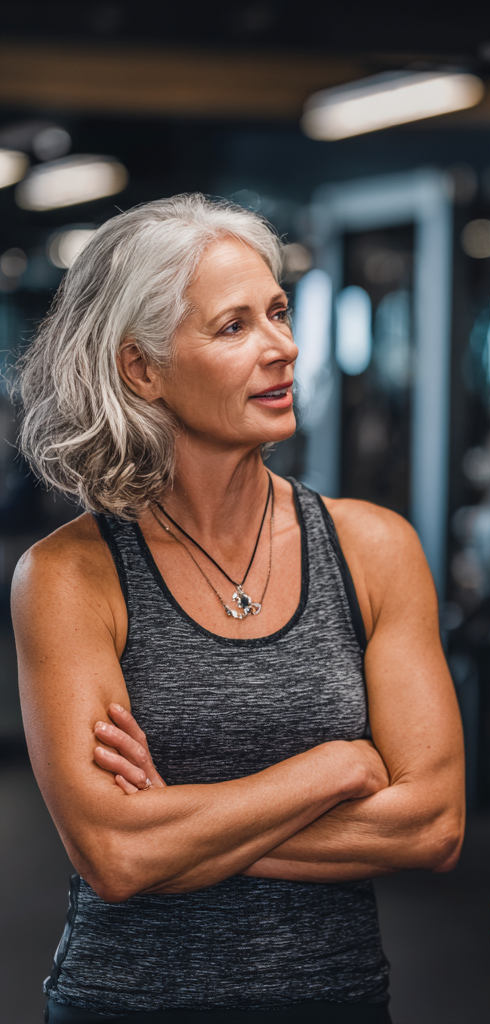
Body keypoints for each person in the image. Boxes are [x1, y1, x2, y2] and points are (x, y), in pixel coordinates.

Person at [13, 194, 465, 1024]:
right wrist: (329, 770)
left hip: (335, 1000)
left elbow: (430, 824)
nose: (283, 348)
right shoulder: (70, 575)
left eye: (280, 313)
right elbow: (113, 855)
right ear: (140, 368)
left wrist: (177, 828)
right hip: (128, 1005)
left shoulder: (372, 549)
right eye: (234, 327)